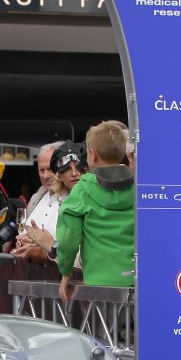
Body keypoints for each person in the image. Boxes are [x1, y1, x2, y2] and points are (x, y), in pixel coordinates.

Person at [55, 122, 135, 295]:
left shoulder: (82, 189)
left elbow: (68, 238)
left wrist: (65, 271)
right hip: (137, 280)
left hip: (98, 284)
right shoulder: (139, 188)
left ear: (92, 154)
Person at [11, 142, 62, 264]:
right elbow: (24, 235)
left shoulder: (75, 201)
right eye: (41, 170)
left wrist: (43, 253)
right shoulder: (36, 199)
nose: (45, 176)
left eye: (50, 169)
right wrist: (22, 243)